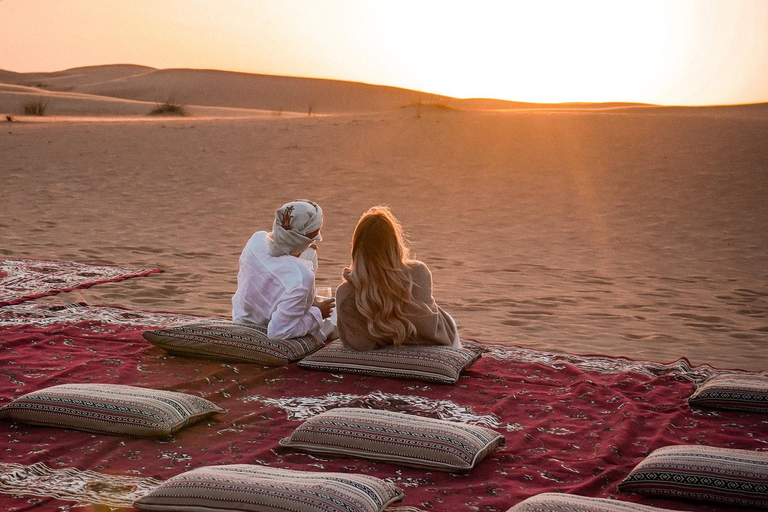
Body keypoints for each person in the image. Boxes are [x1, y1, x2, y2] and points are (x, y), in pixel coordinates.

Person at [335, 205, 461, 351]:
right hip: (427, 341)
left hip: (381, 347)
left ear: (356, 248)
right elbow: (429, 326)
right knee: (445, 317)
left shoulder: (345, 292)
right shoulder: (418, 272)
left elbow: (357, 344)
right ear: (395, 244)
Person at [232, 199, 336, 340]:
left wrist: (303, 248)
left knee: (310, 253)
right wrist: (318, 312)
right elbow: (278, 332)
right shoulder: (301, 278)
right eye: (316, 233)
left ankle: (304, 303)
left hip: (242, 316)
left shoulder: (256, 240)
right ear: (305, 238)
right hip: (267, 325)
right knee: (338, 314)